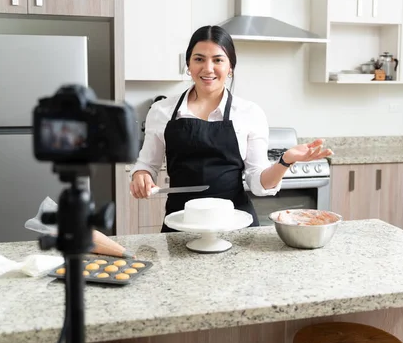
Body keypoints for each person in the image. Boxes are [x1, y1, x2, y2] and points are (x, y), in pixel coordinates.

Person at [129, 25, 332, 233]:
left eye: (218, 60)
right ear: (188, 64)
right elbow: (146, 164)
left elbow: (258, 182)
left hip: (236, 227)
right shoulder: (161, 111)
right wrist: (141, 176)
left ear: (230, 67)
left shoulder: (249, 113)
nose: (208, 68)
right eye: (199, 59)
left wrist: (285, 161)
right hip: (181, 225)